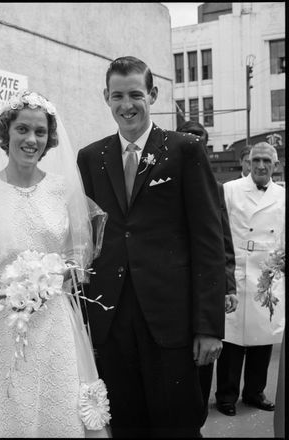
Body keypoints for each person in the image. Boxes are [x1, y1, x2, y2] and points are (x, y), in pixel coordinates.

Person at [0, 90, 111, 437]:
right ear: (5, 134)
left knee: (58, 410)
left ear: (49, 140)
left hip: (55, 325)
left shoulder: (63, 191)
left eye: (40, 132)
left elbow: (79, 255)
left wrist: (52, 277)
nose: (31, 139)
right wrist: (2, 289)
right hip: (0, 324)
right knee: (5, 412)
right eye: (22, 129)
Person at [77, 56, 227, 438]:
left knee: (177, 424)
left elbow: (208, 240)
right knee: (124, 424)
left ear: (153, 95)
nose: (126, 105)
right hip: (112, 318)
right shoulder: (91, 158)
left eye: (135, 94)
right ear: (106, 98)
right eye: (117, 96)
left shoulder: (184, 150)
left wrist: (208, 327)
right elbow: (87, 239)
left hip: (171, 319)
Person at [215, 142, 285, 416]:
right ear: (247, 162)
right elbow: (219, 231)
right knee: (232, 338)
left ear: (275, 166)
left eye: (267, 161)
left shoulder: (282, 195)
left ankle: (255, 392)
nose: (260, 166)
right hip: (238, 270)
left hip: (268, 273)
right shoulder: (230, 190)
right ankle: (226, 396)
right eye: (256, 160)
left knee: (263, 336)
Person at [176, 120, 238, 423]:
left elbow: (222, 244)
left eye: (200, 139)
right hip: (169, 294)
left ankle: (197, 423)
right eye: (188, 137)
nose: (194, 142)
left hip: (203, 292)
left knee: (202, 370)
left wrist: (228, 287)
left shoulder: (215, 188)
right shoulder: (160, 179)